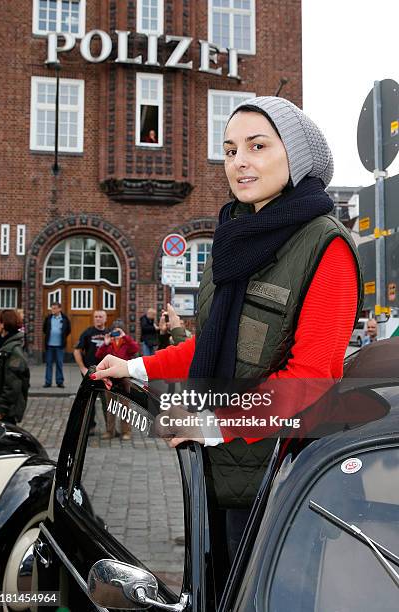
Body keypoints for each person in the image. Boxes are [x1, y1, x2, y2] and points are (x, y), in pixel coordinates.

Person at [92, 96, 362, 559]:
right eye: (230, 149)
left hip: (283, 479)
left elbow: (313, 376)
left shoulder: (325, 245)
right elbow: (218, 342)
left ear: (295, 157)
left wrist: (213, 423)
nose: (239, 162)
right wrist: (134, 368)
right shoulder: (233, 238)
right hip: (218, 468)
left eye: (257, 146)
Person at [95, 320, 139, 440]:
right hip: (110, 378)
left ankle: (126, 432)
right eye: (114, 331)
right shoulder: (108, 343)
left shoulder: (127, 342)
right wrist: (105, 343)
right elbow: (98, 356)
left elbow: (135, 349)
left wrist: (126, 337)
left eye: (118, 331)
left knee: (125, 406)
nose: (116, 334)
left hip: (124, 378)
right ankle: (110, 431)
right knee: (111, 406)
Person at [73, 310, 109, 434]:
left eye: (100, 317)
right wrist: (83, 368)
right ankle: (90, 427)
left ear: (105, 319)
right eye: (96, 317)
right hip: (91, 372)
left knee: (107, 401)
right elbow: (77, 351)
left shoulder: (109, 333)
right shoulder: (88, 333)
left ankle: (109, 428)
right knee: (89, 401)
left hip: (106, 372)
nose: (98, 319)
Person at [0, 310, 30, 425]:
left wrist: (0, 410)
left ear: (3, 325)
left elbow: (13, 385)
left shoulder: (13, 351)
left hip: (3, 414)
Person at [42, 302, 71, 388]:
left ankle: (59, 382)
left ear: (59, 309)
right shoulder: (48, 318)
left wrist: (62, 337)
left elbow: (68, 330)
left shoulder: (65, 319)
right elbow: (44, 329)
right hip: (49, 345)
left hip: (60, 346)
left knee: (59, 363)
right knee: (49, 364)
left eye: (54, 308)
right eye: (52, 308)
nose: (53, 310)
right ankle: (48, 382)